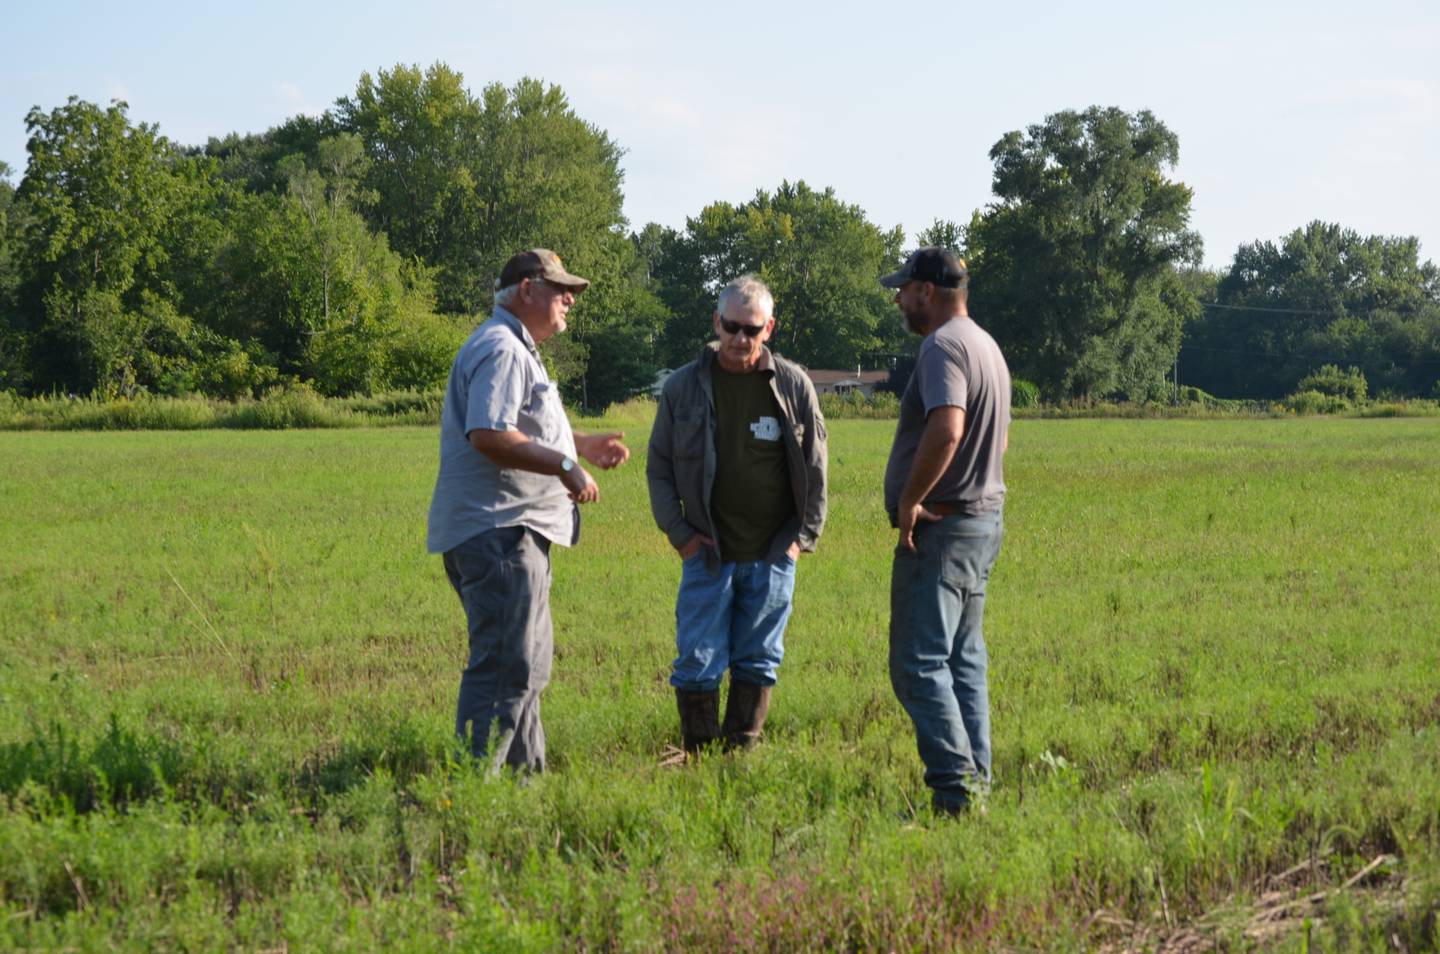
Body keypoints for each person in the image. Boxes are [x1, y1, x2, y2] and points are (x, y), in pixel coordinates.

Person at [427, 249, 630, 774]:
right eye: (560, 289)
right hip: (498, 534)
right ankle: (473, 787)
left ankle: (523, 786)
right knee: (505, 670)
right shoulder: (501, 348)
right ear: (526, 289)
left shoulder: (519, 349)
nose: (569, 300)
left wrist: (579, 443)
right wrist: (565, 464)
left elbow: (521, 423)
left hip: (514, 534)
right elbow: (490, 434)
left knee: (527, 668)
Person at [647, 274, 827, 754]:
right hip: (706, 552)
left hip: (772, 554)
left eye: (751, 329)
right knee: (697, 661)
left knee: (758, 662)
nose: (740, 339)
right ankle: (700, 760)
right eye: (731, 327)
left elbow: (816, 473)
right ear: (716, 322)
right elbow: (658, 467)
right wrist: (680, 534)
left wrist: (798, 541)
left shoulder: (793, 386)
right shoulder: (683, 387)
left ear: (769, 328)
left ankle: (739, 759)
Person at [880, 247, 1010, 815]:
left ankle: (957, 794)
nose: (900, 299)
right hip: (982, 521)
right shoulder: (986, 345)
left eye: (904, 289)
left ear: (927, 291)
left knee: (918, 664)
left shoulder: (942, 347)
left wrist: (911, 499)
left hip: (945, 528)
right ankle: (976, 784)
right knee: (962, 661)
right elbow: (998, 439)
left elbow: (949, 428)